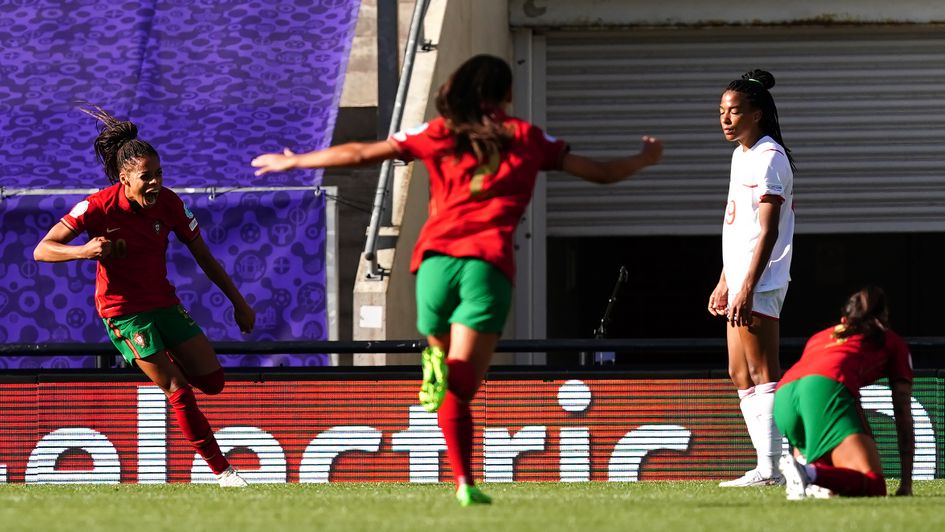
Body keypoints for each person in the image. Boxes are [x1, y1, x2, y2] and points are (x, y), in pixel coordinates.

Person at [252, 54, 663, 505]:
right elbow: (600, 174)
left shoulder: (437, 133)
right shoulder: (526, 137)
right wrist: (643, 158)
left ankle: (444, 398)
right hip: (485, 267)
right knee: (463, 384)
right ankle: (458, 443)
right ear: (506, 93)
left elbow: (362, 153)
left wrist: (298, 162)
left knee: (445, 366)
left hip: (434, 265)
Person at [34, 105, 256, 488]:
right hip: (124, 313)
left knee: (214, 382)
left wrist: (239, 302)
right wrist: (82, 251)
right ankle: (224, 473)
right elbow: (43, 249)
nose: (154, 183)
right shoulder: (96, 206)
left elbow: (204, 256)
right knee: (177, 389)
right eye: (145, 177)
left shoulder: (170, 204)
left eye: (158, 174)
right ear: (124, 179)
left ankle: (158, 361)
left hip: (163, 303)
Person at [708, 69, 796, 487]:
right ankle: (767, 465)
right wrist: (726, 279)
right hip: (741, 278)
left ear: (757, 114)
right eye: (722, 112)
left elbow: (768, 230)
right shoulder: (740, 154)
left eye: (735, 111)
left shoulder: (769, 158)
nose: (726, 119)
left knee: (764, 371)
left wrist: (746, 284)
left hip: (761, 280)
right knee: (738, 373)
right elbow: (738, 225)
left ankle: (774, 467)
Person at [776, 287, 913, 499]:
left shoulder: (821, 336)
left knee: (828, 474)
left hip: (783, 394)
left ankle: (811, 475)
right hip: (822, 390)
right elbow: (902, 412)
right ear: (883, 316)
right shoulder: (889, 340)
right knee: (874, 486)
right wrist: (906, 484)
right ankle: (809, 473)